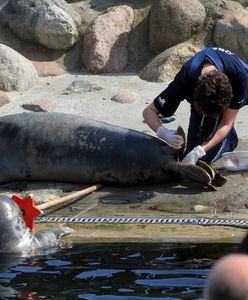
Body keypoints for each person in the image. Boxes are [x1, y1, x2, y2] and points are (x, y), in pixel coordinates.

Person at [143, 47, 248, 165]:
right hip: (199, 90)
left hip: (239, 82)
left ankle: (229, 140)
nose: (205, 115)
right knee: (190, 155)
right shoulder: (185, 79)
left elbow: (226, 123)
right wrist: (164, 133)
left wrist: (201, 150)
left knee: (203, 158)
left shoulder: (240, 78)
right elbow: (148, 111)